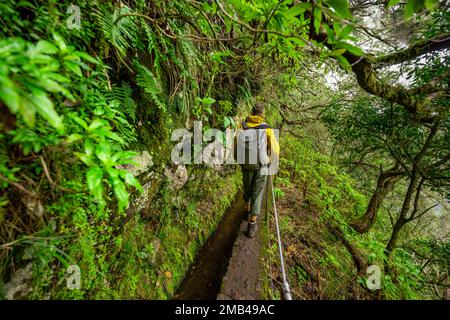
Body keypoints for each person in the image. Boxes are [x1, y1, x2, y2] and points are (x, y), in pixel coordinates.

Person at [234, 102, 279, 238]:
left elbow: (235, 146)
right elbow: (275, 150)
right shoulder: (267, 129)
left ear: (251, 112)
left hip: (246, 165)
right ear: (262, 114)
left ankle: (247, 212)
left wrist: (239, 161)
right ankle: (252, 225)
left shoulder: (242, 126)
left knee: (247, 189)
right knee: (257, 193)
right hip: (261, 166)